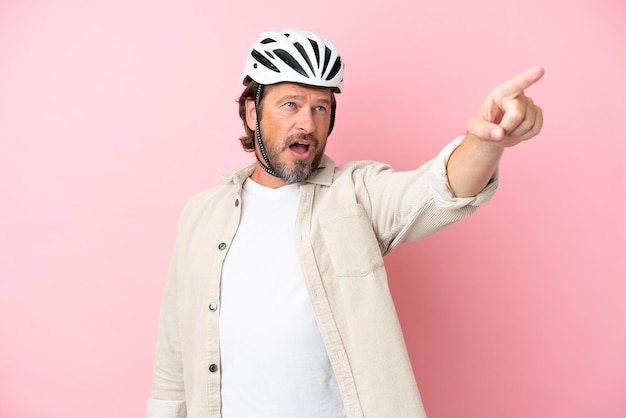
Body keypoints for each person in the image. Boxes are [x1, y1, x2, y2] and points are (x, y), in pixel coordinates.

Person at [146, 29, 543, 418]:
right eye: (290, 104)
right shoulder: (201, 214)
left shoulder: (355, 192)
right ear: (253, 112)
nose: (308, 123)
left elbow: (438, 189)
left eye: (320, 107)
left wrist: (485, 142)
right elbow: (174, 356)